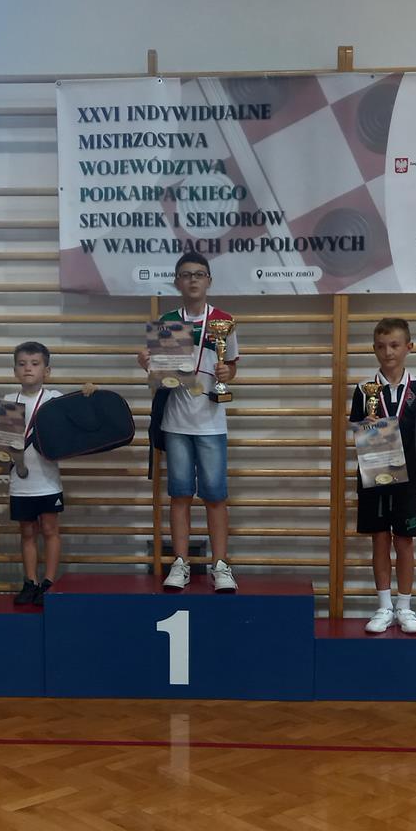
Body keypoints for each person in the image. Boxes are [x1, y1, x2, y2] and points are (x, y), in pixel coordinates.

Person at [140, 251, 239, 592]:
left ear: (209, 280)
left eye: (199, 274)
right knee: (180, 494)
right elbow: (159, 378)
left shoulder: (223, 320)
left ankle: (221, 565)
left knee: (215, 496)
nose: (193, 280)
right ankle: (180, 563)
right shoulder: (168, 321)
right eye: (186, 274)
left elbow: (232, 365)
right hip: (176, 423)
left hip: (211, 422)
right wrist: (148, 365)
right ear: (177, 282)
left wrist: (227, 373)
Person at [349, 317, 416, 634]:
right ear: (374, 348)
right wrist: (369, 426)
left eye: (394, 345)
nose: (388, 352)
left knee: (404, 539)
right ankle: (384, 606)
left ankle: (405, 607)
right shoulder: (364, 389)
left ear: (408, 347)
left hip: (411, 475)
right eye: (381, 346)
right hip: (375, 469)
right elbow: (358, 432)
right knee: (379, 537)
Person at [0, 341, 65, 606]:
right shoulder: (8, 401)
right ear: (15, 370)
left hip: (48, 480)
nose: (28, 369)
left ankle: (48, 582)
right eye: (22, 364)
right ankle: (30, 581)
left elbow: (71, 430)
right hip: (20, 481)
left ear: (46, 371)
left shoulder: (55, 399)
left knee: (50, 529)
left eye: (35, 364)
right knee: (27, 532)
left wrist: (88, 396)